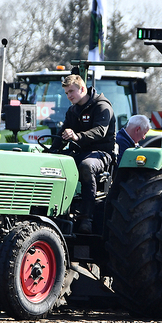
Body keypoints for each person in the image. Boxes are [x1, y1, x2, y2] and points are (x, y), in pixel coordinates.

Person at [51, 74, 116, 234]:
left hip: (101, 153)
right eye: (66, 93)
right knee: (52, 164)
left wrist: (77, 136)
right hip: (79, 151)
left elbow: (100, 131)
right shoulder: (73, 110)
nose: (69, 96)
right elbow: (62, 133)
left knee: (86, 166)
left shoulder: (102, 106)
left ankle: (86, 217)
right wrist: (52, 152)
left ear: (82, 88)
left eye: (71, 91)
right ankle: (56, 213)